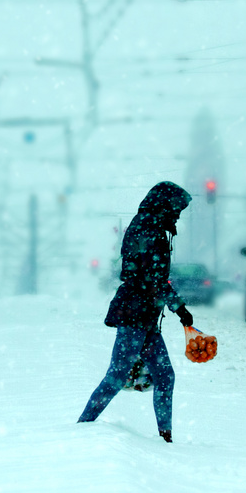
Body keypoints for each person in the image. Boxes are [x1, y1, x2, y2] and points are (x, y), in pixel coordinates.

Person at [78, 181, 194, 443]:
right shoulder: (149, 230)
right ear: (165, 206)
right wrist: (179, 308)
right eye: (176, 209)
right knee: (117, 377)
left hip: (145, 317)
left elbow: (152, 279)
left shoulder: (151, 227)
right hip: (135, 314)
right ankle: (82, 426)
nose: (177, 215)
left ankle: (166, 437)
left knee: (164, 376)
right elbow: (152, 280)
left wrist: (173, 305)